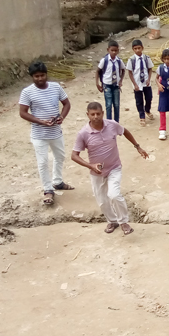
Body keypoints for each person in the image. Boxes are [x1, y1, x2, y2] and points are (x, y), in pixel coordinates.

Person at [71, 102, 148, 235]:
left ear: (102, 113)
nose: (96, 117)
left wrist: (138, 147)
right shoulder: (83, 133)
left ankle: (123, 222)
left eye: (98, 113)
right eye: (92, 114)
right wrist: (90, 165)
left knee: (114, 195)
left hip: (114, 168)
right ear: (87, 115)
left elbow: (125, 132)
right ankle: (112, 221)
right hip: (97, 172)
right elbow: (74, 155)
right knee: (102, 201)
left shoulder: (112, 125)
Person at [19, 61, 74, 207]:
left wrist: (62, 116)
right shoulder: (27, 92)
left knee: (60, 156)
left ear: (46, 74)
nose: (40, 78)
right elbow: (22, 113)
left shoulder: (56, 87)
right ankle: (47, 189)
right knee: (42, 162)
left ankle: (58, 182)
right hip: (39, 134)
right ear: (32, 77)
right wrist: (40, 121)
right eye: (36, 76)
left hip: (56, 131)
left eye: (42, 75)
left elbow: (67, 104)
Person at [95, 40, 125, 123]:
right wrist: (97, 83)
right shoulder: (104, 60)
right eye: (112, 50)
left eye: (116, 50)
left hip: (116, 85)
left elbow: (123, 70)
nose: (114, 52)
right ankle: (108, 122)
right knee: (108, 105)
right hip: (107, 85)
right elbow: (98, 71)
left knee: (116, 104)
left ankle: (116, 122)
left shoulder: (119, 61)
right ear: (108, 50)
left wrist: (120, 81)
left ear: (118, 50)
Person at [126, 40, 154, 127]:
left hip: (146, 82)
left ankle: (147, 110)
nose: (137, 50)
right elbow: (130, 72)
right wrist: (134, 84)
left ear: (142, 48)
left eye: (139, 48)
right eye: (135, 49)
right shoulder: (132, 60)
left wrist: (149, 79)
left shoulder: (146, 58)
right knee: (139, 100)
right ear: (133, 49)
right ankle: (142, 116)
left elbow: (150, 69)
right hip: (137, 83)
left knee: (149, 97)